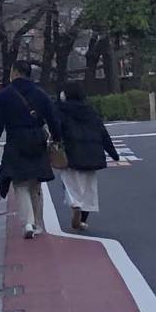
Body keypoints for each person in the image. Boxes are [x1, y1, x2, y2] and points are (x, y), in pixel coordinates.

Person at [0, 61, 60, 239]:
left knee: (19, 183)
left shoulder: (5, 95)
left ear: (16, 72)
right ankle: (37, 223)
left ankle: (28, 222)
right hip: (36, 139)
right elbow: (53, 118)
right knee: (35, 183)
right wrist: (56, 138)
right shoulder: (40, 94)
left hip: (15, 140)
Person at [55, 84, 120, 231]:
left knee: (70, 184)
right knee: (89, 188)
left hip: (72, 153)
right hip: (92, 154)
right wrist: (113, 154)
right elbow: (103, 132)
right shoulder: (89, 110)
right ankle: (83, 219)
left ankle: (75, 204)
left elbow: (56, 130)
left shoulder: (61, 110)